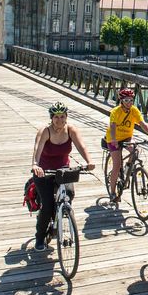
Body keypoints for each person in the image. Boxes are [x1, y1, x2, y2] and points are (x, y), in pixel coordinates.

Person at [31, 102, 95, 251]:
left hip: (63, 170)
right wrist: (35, 165)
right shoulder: (45, 131)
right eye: (56, 117)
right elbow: (37, 150)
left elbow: (81, 146)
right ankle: (40, 237)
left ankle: (61, 214)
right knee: (47, 206)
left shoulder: (71, 129)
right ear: (51, 118)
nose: (59, 120)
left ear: (66, 117)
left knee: (70, 194)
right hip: (44, 171)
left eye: (62, 117)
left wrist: (89, 161)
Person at [106, 87, 148, 202]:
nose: (129, 103)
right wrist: (114, 139)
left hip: (127, 137)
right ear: (121, 101)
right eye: (126, 100)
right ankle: (112, 192)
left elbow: (142, 123)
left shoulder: (134, 110)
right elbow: (113, 125)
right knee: (116, 165)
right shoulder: (115, 111)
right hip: (113, 139)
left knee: (135, 150)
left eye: (131, 100)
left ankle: (127, 169)